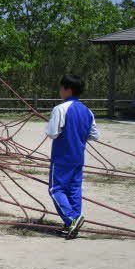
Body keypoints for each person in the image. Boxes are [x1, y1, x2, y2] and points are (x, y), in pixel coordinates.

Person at [45, 74, 100, 239]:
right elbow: (95, 135)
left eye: (61, 88)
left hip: (62, 157)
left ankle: (71, 219)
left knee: (56, 189)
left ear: (68, 89)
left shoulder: (60, 109)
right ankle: (72, 223)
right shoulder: (87, 111)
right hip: (78, 157)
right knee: (74, 190)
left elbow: (53, 133)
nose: (60, 91)